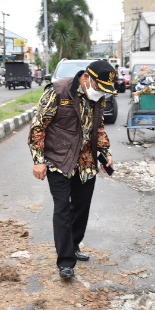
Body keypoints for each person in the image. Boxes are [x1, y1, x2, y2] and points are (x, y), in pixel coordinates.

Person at [27, 60, 115, 280]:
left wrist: (106, 152)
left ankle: (74, 245)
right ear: (87, 77)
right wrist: (38, 159)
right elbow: (38, 125)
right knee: (63, 207)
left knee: (81, 207)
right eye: (100, 87)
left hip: (85, 161)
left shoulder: (98, 96)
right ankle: (66, 262)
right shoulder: (58, 90)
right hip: (58, 159)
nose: (101, 93)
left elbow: (99, 127)